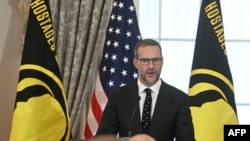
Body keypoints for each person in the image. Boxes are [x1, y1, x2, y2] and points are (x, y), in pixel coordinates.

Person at [95, 39, 195, 141]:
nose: (151, 66)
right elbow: (102, 138)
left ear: (162, 62)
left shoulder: (179, 99)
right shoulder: (118, 97)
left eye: (156, 60)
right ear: (135, 63)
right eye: (145, 61)